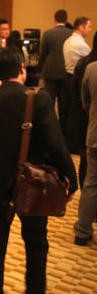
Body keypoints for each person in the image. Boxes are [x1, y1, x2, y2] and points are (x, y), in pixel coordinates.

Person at [0, 47, 77, 294]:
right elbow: (56, 144)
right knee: (36, 244)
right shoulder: (39, 99)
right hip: (33, 183)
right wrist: (71, 178)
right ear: (22, 68)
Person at [74, 57, 97, 246]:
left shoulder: (91, 69)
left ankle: (82, 231)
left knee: (91, 183)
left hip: (94, 134)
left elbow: (85, 102)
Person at [70, 31, 97, 187]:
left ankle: (84, 193)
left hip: (83, 118)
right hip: (90, 118)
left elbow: (77, 94)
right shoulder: (92, 66)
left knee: (86, 165)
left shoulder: (83, 63)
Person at [62, 16, 93, 150]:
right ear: (81, 27)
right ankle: (74, 143)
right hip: (76, 79)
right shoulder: (80, 44)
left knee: (70, 111)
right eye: (89, 27)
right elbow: (92, 60)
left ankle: (70, 141)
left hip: (68, 77)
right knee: (77, 113)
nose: (90, 30)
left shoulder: (68, 40)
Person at [39, 10, 73, 114]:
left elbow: (42, 53)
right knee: (64, 103)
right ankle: (62, 123)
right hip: (65, 71)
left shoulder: (47, 33)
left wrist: (40, 70)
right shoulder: (71, 34)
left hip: (50, 71)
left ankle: (50, 122)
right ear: (66, 20)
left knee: (49, 101)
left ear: (55, 19)